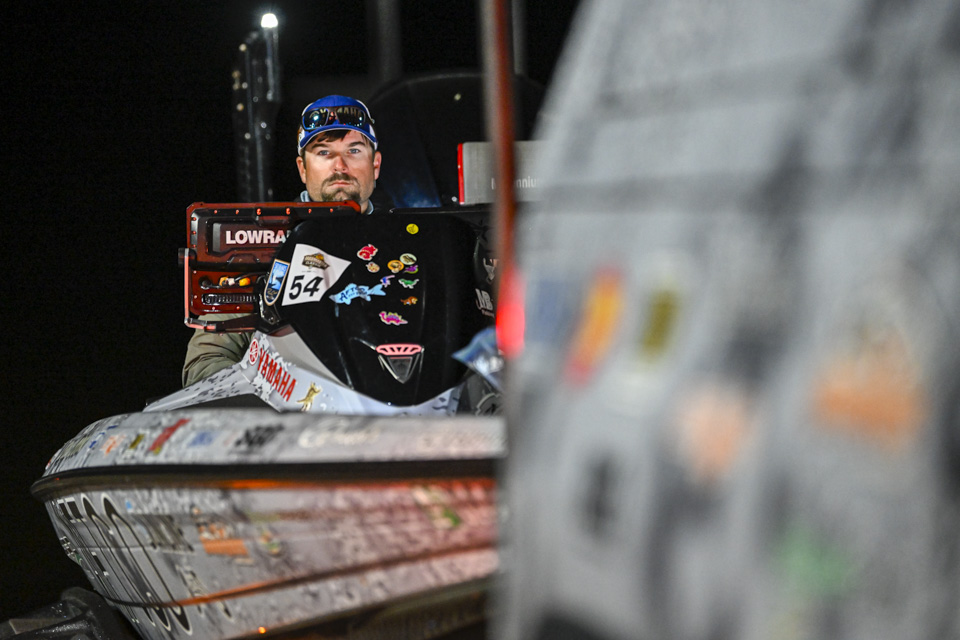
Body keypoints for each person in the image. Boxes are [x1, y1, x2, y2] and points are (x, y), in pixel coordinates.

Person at [182, 95, 382, 387]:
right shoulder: (258, 242)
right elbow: (207, 360)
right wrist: (263, 397)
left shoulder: (408, 240)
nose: (340, 166)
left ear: (375, 164)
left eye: (353, 150)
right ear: (302, 168)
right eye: (324, 152)